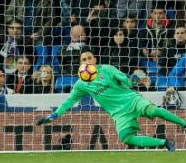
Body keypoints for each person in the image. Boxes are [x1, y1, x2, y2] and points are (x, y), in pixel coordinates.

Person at [37, 51, 186, 151]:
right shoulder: (81, 84)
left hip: (131, 99)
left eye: (90, 58)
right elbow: (68, 103)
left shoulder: (107, 69)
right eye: (84, 59)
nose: (87, 61)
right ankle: (165, 143)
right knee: (126, 138)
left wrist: (133, 80)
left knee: (153, 110)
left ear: (95, 60)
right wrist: (54, 115)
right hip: (119, 113)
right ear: (80, 64)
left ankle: (184, 123)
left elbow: (127, 82)